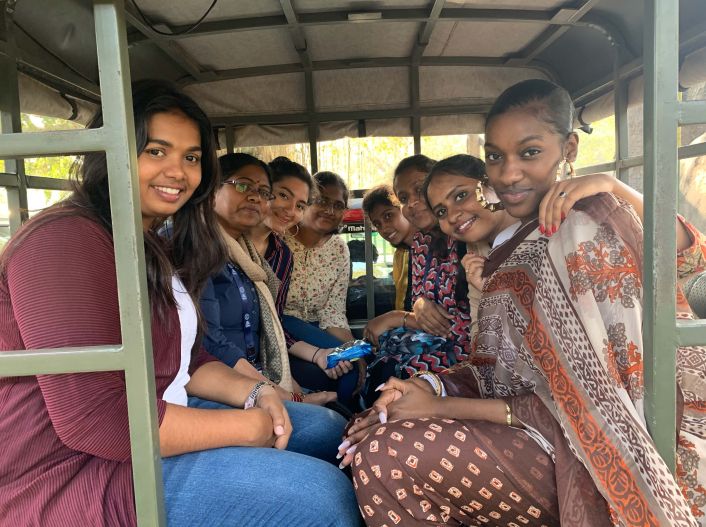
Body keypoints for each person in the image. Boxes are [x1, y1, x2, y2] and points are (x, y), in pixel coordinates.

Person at [342, 79, 706, 526]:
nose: (509, 173)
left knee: (386, 455)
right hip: (546, 429)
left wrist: (438, 406)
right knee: (381, 425)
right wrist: (427, 389)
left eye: (529, 152)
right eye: (496, 156)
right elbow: (499, 369)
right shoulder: (507, 250)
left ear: (568, 148)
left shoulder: (587, 219)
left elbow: (589, 398)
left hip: (620, 443)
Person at [0, 80, 360, 527]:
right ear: (108, 151)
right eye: (155, 151)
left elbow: (187, 356)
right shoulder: (62, 241)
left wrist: (258, 392)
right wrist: (247, 427)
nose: (178, 171)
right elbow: (95, 420)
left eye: (190, 157)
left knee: (326, 431)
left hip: (158, 418)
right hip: (77, 468)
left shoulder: (146, 241)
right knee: (323, 502)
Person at [201, 152, 336, 406]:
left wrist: (313, 362)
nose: (254, 197)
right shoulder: (202, 248)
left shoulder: (278, 256)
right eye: (282, 195)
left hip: (260, 361)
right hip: (224, 377)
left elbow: (272, 321)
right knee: (327, 426)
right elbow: (210, 343)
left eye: (262, 192)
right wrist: (291, 396)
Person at [283, 171, 359, 408]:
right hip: (280, 326)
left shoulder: (339, 249)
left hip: (316, 328)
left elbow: (334, 310)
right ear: (305, 202)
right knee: (346, 365)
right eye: (322, 201)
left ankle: (348, 421)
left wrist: (352, 349)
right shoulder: (278, 240)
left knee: (351, 364)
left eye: (338, 205)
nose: (330, 210)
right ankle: (350, 422)